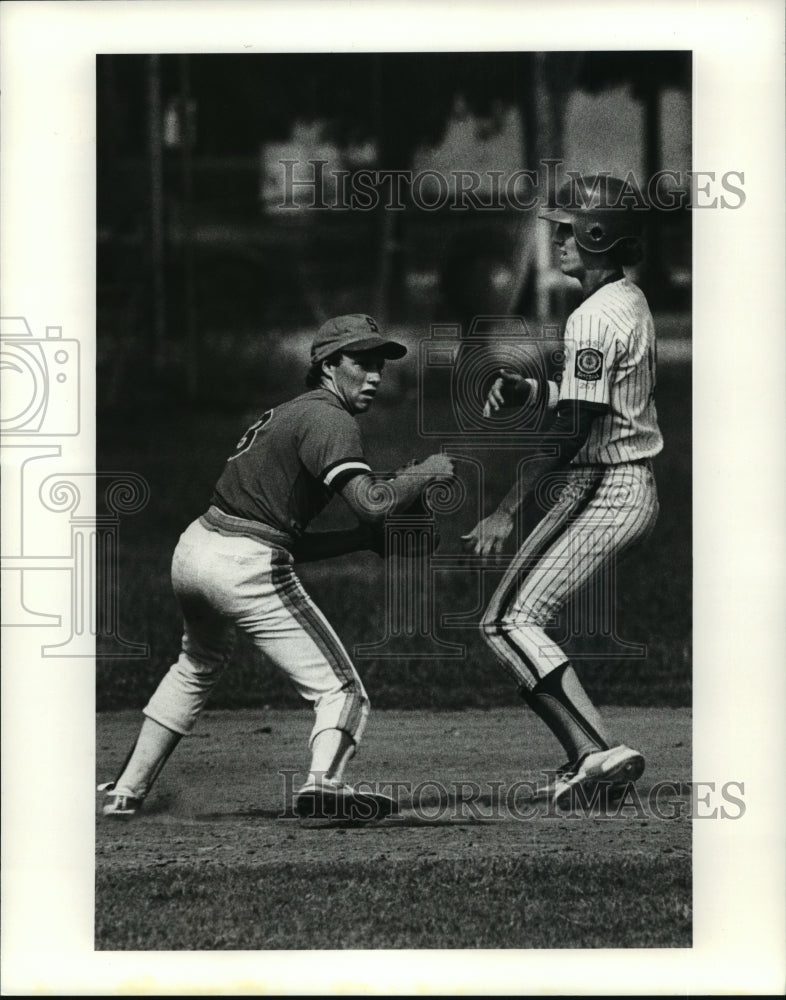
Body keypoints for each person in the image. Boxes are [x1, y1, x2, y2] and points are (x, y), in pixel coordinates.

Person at [99, 314, 454, 821]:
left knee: (196, 665)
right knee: (342, 690)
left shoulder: (289, 414)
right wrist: (426, 472)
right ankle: (324, 783)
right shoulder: (331, 420)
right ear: (329, 365)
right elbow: (372, 504)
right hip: (243, 565)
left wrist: (359, 541)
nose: (375, 376)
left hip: (194, 552)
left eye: (379, 365)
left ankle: (126, 793)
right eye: (362, 363)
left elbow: (283, 540)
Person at [462, 175, 663, 807]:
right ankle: (597, 760)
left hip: (605, 486)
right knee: (519, 618)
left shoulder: (591, 318)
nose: (557, 236)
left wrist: (505, 508)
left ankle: (592, 752)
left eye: (568, 226)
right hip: (627, 484)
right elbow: (590, 403)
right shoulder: (626, 300)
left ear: (598, 233)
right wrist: (533, 391)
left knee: (505, 620)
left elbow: (574, 430)